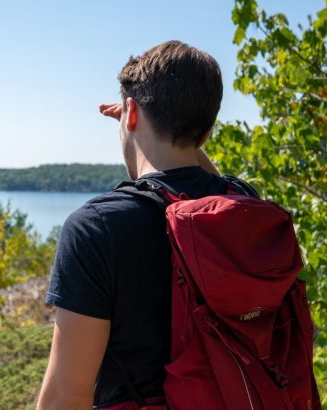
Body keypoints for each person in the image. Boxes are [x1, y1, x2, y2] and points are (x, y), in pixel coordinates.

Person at [36, 40, 256, 409]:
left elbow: (64, 396)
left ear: (130, 114)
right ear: (206, 134)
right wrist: (181, 123)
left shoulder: (96, 228)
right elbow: (218, 186)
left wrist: (139, 120)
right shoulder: (246, 207)